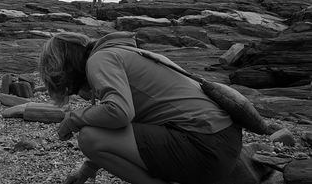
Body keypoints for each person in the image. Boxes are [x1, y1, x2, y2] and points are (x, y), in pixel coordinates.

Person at [39, 31, 242, 184]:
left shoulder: (99, 60)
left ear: (68, 68)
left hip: (204, 147)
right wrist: (88, 169)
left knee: (88, 137)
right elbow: (130, 123)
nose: (78, 94)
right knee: (99, 127)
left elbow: (119, 114)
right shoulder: (123, 52)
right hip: (225, 143)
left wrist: (74, 118)